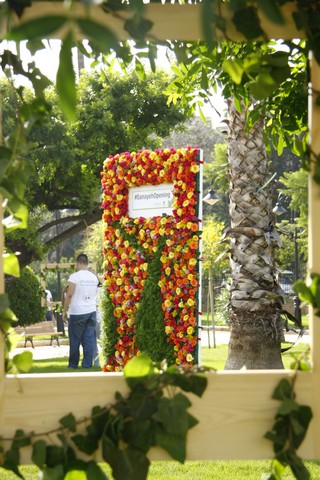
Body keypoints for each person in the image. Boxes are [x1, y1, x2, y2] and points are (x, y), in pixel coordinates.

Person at [62, 253, 99, 368]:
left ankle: (73, 364)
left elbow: (69, 295)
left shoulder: (74, 277)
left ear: (78, 263)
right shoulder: (94, 277)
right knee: (89, 339)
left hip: (77, 312)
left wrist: (64, 311)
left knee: (75, 340)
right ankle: (87, 364)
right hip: (91, 311)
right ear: (87, 263)